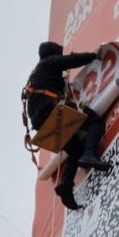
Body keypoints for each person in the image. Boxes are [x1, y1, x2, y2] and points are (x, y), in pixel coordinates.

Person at [24, 41, 109, 210]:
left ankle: (65, 186)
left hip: (41, 123)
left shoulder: (36, 75)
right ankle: (91, 154)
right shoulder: (48, 63)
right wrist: (94, 55)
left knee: (76, 150)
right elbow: (72, 60)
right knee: (94, 120)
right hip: (51, 109)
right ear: (53, 54)